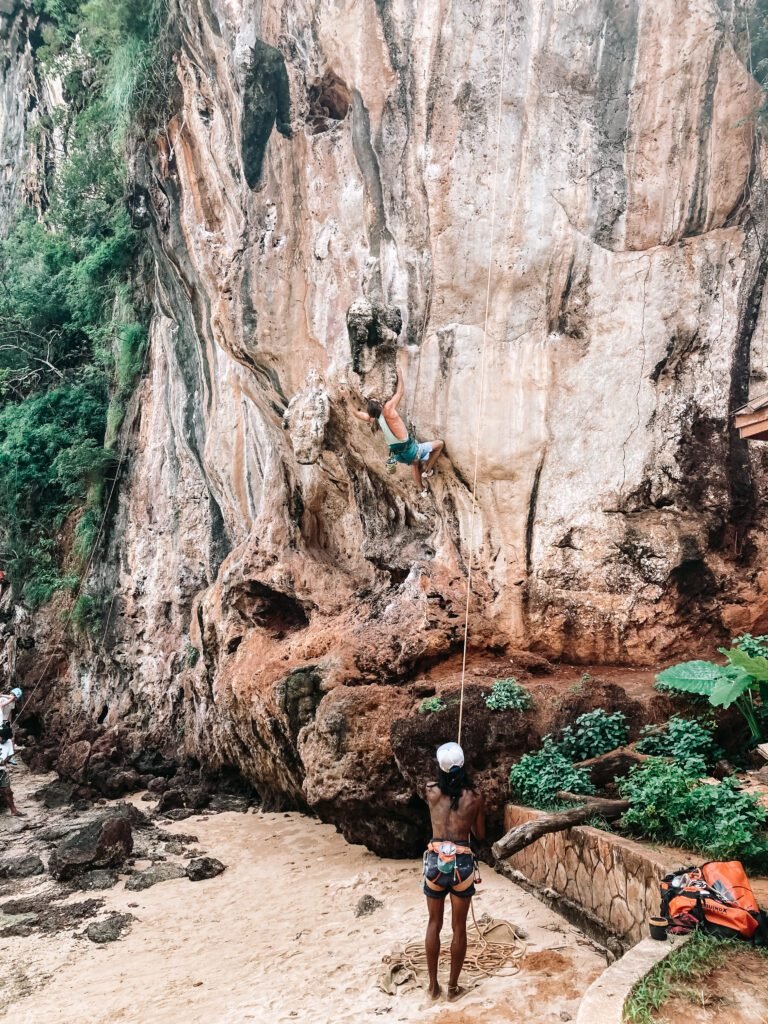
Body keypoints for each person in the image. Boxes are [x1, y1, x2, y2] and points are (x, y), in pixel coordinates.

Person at [422, 741, 485, 1001]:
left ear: (440, 767)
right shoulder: (476, 796)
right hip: (462, 865)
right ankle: (452, 988)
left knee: (433, 923)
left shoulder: (430, 791)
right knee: (459, 927)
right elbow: (479, 835)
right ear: (463, 765)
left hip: (436, 863)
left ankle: (433, 987)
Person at [348, 366, 444, 491]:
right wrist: (400, 374)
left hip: (398, 455)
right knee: (439, 445)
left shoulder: (375, 418)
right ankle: (427, 470)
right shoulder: (387, 409)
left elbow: (357, 414)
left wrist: (346, 397)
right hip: (410, 450)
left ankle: (422, 490)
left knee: (414, 465)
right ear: (380, 405)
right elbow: (400, 392)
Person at [0, 738, 24, 816]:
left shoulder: (9, 742)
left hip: (2, 770)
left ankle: (13, 811)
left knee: (7, 791)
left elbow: (10, 754)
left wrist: (5, 761)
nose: (2, 740)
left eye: (4, 738)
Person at [0, 687, 22, 765]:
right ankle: (5, 757)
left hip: (5, 722)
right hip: (2, 722)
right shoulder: (5, 699)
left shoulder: (11, 702)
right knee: (8, 740)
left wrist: (9, 723)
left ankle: (8, 757)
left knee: (10, 739)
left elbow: (10, 714)